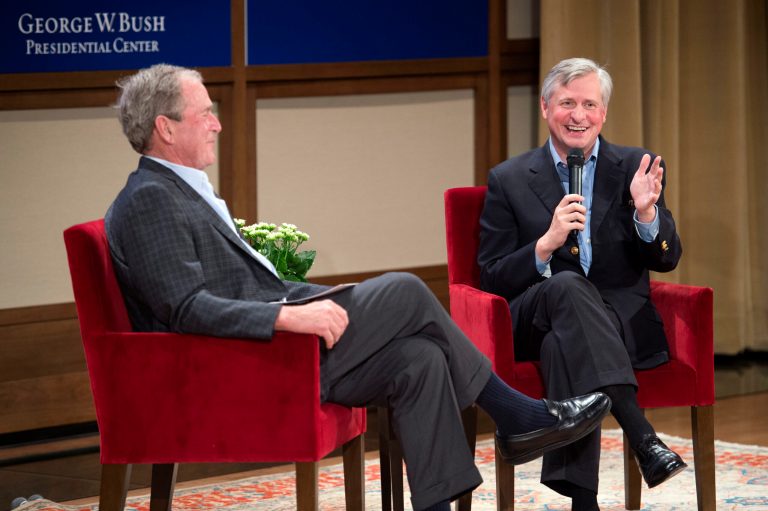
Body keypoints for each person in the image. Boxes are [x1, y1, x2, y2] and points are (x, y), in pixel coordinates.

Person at [105, 63, 611, 511]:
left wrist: (307, 298)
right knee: (406, 290)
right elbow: (186, 308)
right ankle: (515, 413)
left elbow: (238, 284)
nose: (217, 122)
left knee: (420, 360)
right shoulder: (150, 199)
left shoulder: (180, 189)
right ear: (165, 128)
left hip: (279, 349)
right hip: (253, 367)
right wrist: (289, 315)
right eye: (204, 113)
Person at [477, 57, 687, 511]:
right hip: (532, 314)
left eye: (589, 104)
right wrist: (545, 244)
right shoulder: (509, 178)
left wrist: (647, 216)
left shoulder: (636, 167)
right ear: (545, 107)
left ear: (604, 112)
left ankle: (583, 503)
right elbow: (489, 276)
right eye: (567, 102)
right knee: (567, 288)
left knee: (563, 346)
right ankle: (642, 437)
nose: (579, 115)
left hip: (614, 322)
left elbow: (668, 259)